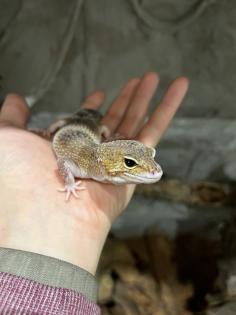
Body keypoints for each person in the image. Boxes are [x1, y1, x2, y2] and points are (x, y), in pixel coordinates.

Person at [0, 72, 188, 314]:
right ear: (108, 164)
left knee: (90, 124)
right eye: (131, 163)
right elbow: (65, 165)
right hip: (74, 131)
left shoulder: (102, 154)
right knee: (63, 125)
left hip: (90, 133)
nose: (154, 171)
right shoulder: (87, 166)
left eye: (148, 158)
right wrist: (68, 184)